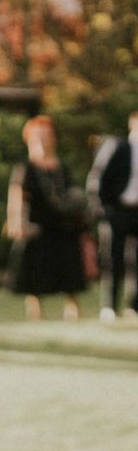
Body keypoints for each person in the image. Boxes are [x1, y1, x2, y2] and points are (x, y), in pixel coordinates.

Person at [6, 116, 86, 320]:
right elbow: (17, 196)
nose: (42, 140)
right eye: (38, 136)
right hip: (37, 223)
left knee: (68, 264)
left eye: (46, 136)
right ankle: (36, 309)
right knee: (35, 265)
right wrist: (17, 222)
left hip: (62, 224)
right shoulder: (26, 167)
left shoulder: (61, 167)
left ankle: (72, 306)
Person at [86, 111, 138, 323]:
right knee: (113, 259)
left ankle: (134, 306)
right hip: (118, 210)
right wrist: (101, 209)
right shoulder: (118, 146)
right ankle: (109, 306)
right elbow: (97, 177)